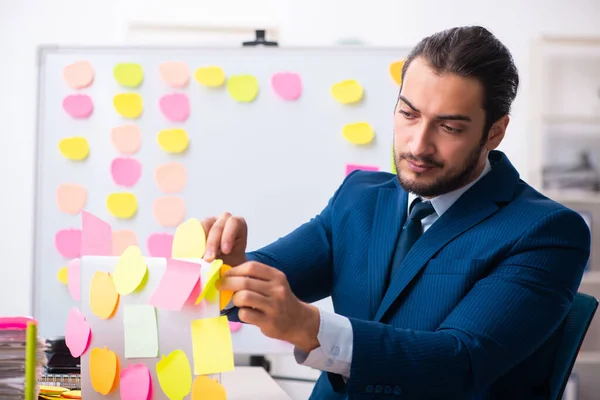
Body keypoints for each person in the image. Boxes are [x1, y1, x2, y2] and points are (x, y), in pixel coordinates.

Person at [203, 26, 591, 399]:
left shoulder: (547, 232)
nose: (418, 145)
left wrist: (308, 326)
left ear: (494, 132)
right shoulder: (359, 197)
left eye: (450, 127)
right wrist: (227, 267)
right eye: (408, 114)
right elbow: (267, 278)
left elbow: (461, 361)